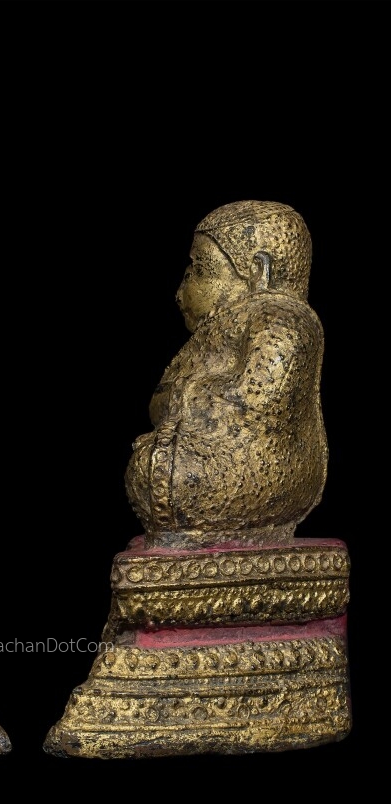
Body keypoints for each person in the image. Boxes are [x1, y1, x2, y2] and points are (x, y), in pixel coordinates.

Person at [125, 200, 328, 549]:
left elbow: (258, 400)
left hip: (261, 471)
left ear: (258, 270)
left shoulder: (284, 319)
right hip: (210, 455)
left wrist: (184, 393)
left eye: (200, 270)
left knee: (161, 469)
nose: (182, 292)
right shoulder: (223, 327)